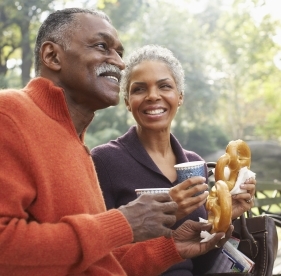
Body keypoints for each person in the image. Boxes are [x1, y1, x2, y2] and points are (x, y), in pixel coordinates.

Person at [0, 8, 232, 276]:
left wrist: (172, 248)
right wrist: (123, 223)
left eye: (119, 53)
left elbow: (99, 263)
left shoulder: (76, 144)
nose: (119, 63)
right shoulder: (10, 114)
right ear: (52, 56)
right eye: (102, 47)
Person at [91, 45, 256, 275]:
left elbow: (200, 262)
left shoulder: (195, 163)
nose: (152, 96)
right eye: (139, 89)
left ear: (179, 97)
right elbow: (99, 258)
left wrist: (225, 218)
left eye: (164, 86)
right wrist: (167, 212)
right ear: (127, 101)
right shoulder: (105, 161)